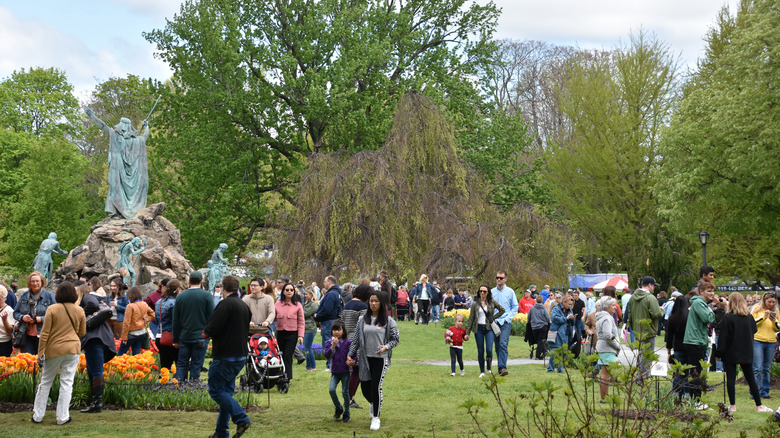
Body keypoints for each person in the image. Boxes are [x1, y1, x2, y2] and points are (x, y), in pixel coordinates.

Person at [203, 275, 253, 438]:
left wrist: (205, 332)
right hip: (240, 354)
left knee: (216, 391)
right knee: (225, 392)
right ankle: (221, 432)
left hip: (226, 354)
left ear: (223, 287)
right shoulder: (243, 305)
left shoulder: (225, 304)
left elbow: (213, 326)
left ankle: (241, 418)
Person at [32, 281, 86, 425]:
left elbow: (44, 333)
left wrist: (40, 353)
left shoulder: (52, 309)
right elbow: (82, 332)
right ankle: (62, 417)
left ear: (58, 294)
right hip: (73, 348)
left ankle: (38, 415)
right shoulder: (79, 310)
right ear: (74, 295)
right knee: (67, 383)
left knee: (46, 382)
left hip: (54, 349)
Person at [347, 290, 400, 431]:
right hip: (364, 359)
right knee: (365, 388)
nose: (373, 304)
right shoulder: (362, 320)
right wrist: (350, 354)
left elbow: (395, 339)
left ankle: (376, 418)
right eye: (371, 301)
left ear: (381, 303)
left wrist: (386, 347)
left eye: (376, 301)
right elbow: (356, 340)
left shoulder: (389, 321)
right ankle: (372, 403)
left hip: (380, 359)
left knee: (376, 386)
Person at [85, 108, 149, 219]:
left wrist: (93, 116)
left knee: (115, 187)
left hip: (120, 173)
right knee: (116, 187)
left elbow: (103, 126)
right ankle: (120, 210)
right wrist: (147, 128)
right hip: (123, 173)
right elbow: (145, 137)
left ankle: (121, 210)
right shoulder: (136, 140)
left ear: (123, 126)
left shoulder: (119, 136)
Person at [715, 292, 773, 412]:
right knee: (751, 378)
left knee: (730, 379)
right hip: (746, 351)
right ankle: (759, 405)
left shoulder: (728, 317)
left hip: (731, 352)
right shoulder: (749, 317)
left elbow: (723, 337)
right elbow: (754, 330)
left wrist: (719, 353)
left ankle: (733, 406)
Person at [78, 282, 117, 413]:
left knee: (96, 371)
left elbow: (92, 305)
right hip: (100, 338)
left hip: (94, 339)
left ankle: (96, 403)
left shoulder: (86, 297)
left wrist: (80, 315)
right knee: (93, 370)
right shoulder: (98, 300)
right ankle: (95, 403)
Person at [173, 271, 214, 382]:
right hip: (201, 335)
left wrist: (175, 339)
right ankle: (193, 389)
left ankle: (180, 387)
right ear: (201, 281)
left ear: (189, 281)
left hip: (185, 336)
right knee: (196, 365)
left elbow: (175, 320)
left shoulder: (181, 296)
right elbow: (212, 317)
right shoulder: (207, 296)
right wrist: (210, 334)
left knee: (182, 364)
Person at [683, 281, 716, 409]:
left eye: (712, 291)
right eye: (709, 291)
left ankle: (695, 400)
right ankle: (696, 401)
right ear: (701, 291)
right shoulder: (698, 303)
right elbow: (708, 318)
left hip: (696, 340)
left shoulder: (698, 303)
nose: (712, 293)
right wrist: (711, 310)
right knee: (696, 372)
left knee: (695, 372)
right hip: (695, 341)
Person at [627, 276, 664, 385]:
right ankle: (643, 379)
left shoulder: (632, 297)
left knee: (640, 356)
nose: (653, 288)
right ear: (650, 285)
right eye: (653, 286)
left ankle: (639, 376)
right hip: (648, 330)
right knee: (647, 356)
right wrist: (662, 310)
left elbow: (630, 314)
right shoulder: (650, 298)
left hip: (637, 331)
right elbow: (656, 314)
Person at [465, 285, 506, 377]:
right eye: (481, 291)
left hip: (489, 329)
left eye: (484, 291)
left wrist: (493, 318)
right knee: (480, 351)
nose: (482, 293)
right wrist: (467, 333)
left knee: (489, 349)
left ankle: (489, 368)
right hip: (478, 328)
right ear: (479, 292)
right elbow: (471, 319)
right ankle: (482, 371)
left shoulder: (491, 302)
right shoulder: (475, 304)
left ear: (488, 293)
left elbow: (502, 310)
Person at [14, 271, 56, 354]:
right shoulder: (24, 296)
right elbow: (16, 312)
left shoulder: (50, 296)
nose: (35, 283)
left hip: (43, 334)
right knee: (28, 361)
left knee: (41, 361)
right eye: (33, 281)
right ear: (29, 283)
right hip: (26, 334)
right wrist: (22, 317)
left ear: (42, 282)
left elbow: (56, 315)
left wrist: (41, 319)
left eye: (37, 281)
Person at [343, 284, 370, 409]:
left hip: (346, 340)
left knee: (350, 371)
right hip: (357, 342)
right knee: (357, 371)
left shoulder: (347, 304)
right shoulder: (363, 307)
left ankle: (348, 397)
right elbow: (365, 326)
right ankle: (349, 398)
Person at [752, 291, 779, 400]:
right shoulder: (756, 309)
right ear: (764, 300)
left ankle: (765, 392)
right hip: (758, 340)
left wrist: (774, 321)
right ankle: (754, 392)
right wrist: (764, 317)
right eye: (769, 301)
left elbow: (778, 328)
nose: (771, 304)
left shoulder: (776, 311)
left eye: (773, 302)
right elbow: (752, 323)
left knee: (766, 368)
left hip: (771, 341)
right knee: (757, 368)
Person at [274, 282, 304, 381]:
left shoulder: (298, 305)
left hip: (292, 334)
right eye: (287, 290)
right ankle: (280, 373)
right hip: (280, 333)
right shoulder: (278, 304)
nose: (289, 292)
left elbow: (301, 321)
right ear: (283, 292)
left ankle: (287, 376)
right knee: (280, 354)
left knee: (288, 354)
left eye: (291, 290)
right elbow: (272, 317)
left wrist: (301, 335)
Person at [325, 320, 352, 423]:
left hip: (345, 371)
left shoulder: (348, 342)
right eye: (334, 330)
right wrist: (333, 346)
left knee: (345, 392)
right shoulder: (329, 342)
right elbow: (327, 355)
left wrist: (352, 361)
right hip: (335, 372)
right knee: (331, 390)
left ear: (343, 331)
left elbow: (353, 355)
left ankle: (347, 413)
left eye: (339, 330)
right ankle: (338, 407)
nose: (336, 332)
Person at [492, 270, 518, 376]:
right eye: (497, 277)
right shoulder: (492, 291)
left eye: (501, 278)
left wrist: (508, 318)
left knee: (503, 344)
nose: (499, 279)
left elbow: (515, 306)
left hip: (505, 322)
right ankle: (500, 368)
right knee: (497, 346)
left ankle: (503, 367)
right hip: (495, 322)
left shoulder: (510, 292)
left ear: (505, 279)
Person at [595, 296, 621, 402]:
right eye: (613, 305)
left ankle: (605, 396)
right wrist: (617, 345)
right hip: (607, 348)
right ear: (606, 306)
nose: (615, 308)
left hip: (603, 347)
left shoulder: (603, 317)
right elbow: (607, 334)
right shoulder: (607, 318)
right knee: (605, 373)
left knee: (605, 373)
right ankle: (604, 398)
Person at [315, 275, 342, 370]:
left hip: (328, 322)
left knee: (328, 343)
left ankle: (330, 365)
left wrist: (317, 315)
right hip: (334, 320)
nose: (324, 283)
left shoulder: (331, 294)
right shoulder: (337, 293)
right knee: (333, 342)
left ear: (329, 282)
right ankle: (332, 364)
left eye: (325, 281)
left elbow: (327, 309)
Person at [665, 294, 689, 398]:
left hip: (678, 346)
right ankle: (687, 392)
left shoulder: (672, 318)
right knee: (687, 371)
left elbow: (669, 336)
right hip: (688, 346)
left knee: (678, 372)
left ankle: (675, 392)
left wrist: (669, 352)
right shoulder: (689, 316)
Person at [119, 286, 155, 356]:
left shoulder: (130, 306)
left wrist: (124, 338)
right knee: (136, 355)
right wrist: (146, 319)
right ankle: (135, 367)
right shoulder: (144, 304)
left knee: (121, 355)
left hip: (131, 334)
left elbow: (126, 323)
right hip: (141, 333)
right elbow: (153, 314)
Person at [155, 279, 181, 370]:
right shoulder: (174, 303)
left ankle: (163, 383)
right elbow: (176, 322)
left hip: (159, 336)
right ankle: (181, 383)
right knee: (179, 364)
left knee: (164, 366)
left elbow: (156, 319)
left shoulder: (159, 302)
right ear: (177, 289)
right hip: (170, 336)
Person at [547, 294, 575, 373]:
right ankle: (550, 369)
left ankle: (560, 370)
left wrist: (572, 319)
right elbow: (555, 318)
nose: (570, 306)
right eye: (569, 304)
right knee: (554, 351)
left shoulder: (570, 310)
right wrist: (566, 318)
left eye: (571, 305)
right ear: (564, 302)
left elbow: (572, 323)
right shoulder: (556, 308)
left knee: (563, 352)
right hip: (556, 332)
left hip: (566, 333)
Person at [528, 295, 551, 360]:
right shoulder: (543, 308)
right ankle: (538, 355)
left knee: (538, 341)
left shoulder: (532, 308)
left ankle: (543, 351)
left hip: (534, 327)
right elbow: (547, 318)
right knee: (541, 341)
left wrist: (529, 324)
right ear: (542, 300)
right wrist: (549, 323)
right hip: (543, 326)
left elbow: (529, 317)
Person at [302, 288, 319, 371]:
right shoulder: (307, 303)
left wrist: (299, 311)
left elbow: (305, 313)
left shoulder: (314, 304)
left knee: (308, 348)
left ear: (312, 294)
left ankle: (313, 366)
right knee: (306, 348)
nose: (305, 296)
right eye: (304, 294)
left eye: (307, 294)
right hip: (306, 328)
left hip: (310, 328)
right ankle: (308, 366)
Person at [0, 285, 17, 356]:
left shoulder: (9, 310)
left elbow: (9, 332)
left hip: (3, 344)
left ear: (4, 298)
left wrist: (5, 320)